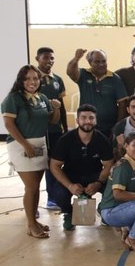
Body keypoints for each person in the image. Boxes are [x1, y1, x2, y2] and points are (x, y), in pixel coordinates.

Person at [2, 65, 61, 239]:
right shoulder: (13, 98)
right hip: (21, 145)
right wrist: (26, 145)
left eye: (35, 78)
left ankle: (35, 221)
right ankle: (30, 224)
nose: (32, 82)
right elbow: (9, 125)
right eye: (27, 78)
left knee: (36, 187)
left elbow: (53, 121)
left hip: (40, 144)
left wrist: (56, 107)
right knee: (31, 187)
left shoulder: (41, 97)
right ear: (21, 81)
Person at [50, 104, 114, 230]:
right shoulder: (66, 140)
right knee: (57, 193)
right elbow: (55, 165)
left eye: (91, 118)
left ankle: (103, 209)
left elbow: (108, 165)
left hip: (94, 175)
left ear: (95, 121)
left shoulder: (102, 140)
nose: (87, 121)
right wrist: (70, 186)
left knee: (113, 188)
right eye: (84, 118)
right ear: (77, 121)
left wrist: (99, 183)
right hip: (71, 176)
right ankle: (69, 212)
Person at [66, 48, 128, 137]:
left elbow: (122, 104)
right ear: (90, 62)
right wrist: (76, 58)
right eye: (97, 62)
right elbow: (70, 72)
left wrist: (118, 126)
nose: (101, 64)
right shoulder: (83, 74)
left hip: (108, 128)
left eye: (104, 61)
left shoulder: (115, 79)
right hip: (87, 126)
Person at [35, 47, 68, 210]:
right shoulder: (32, 79)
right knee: (38, 167)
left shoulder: (57, 79)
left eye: (52, 58)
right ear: (37, 59)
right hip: (38, 131)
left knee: (54, 163)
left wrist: (66, 128)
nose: (49, 61)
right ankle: (39, 201)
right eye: (46, 58)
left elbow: (61, 107)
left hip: (55, 130)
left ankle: (53, 197)